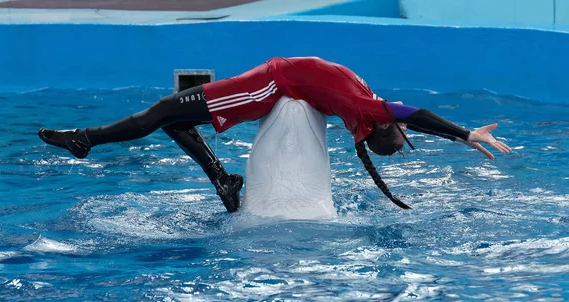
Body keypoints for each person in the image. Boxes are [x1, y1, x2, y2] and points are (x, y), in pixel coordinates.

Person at [39, 56, 511, 211]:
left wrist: (466, 134)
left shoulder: (368, 108)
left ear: (384, 127)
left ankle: (85, 138)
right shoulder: (370, 111)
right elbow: (413, 116)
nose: (404, 124)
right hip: (275, 78)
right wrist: (464, 135)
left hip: (270, 86)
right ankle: (223, 180)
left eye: (399, 128)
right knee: (175, 118)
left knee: (165, 109)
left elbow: (419, 112)